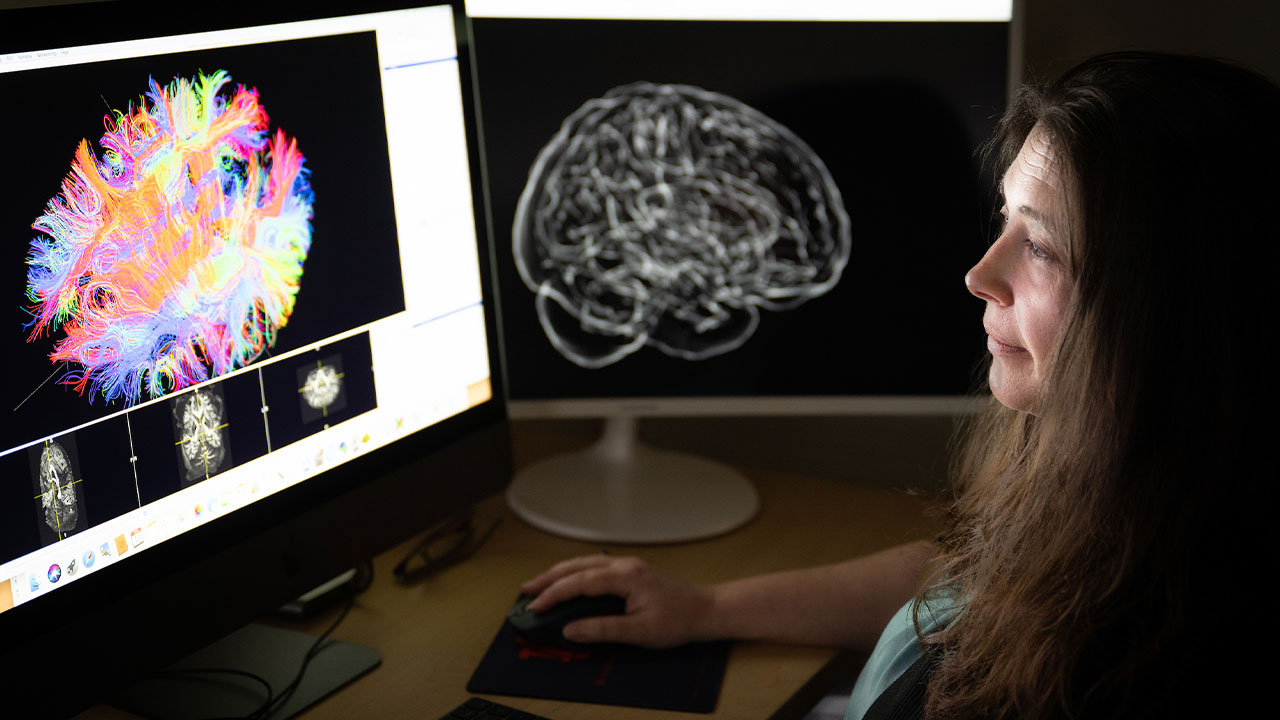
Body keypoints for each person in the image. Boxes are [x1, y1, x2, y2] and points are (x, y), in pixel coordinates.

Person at [519, 52, 1278, 719]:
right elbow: (960, 582)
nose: (981, 275)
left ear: (1173, 315)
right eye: (1003, 218)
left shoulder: (1121, 673)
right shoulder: (1122, 519)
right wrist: (708, 607)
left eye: (1041, 246)